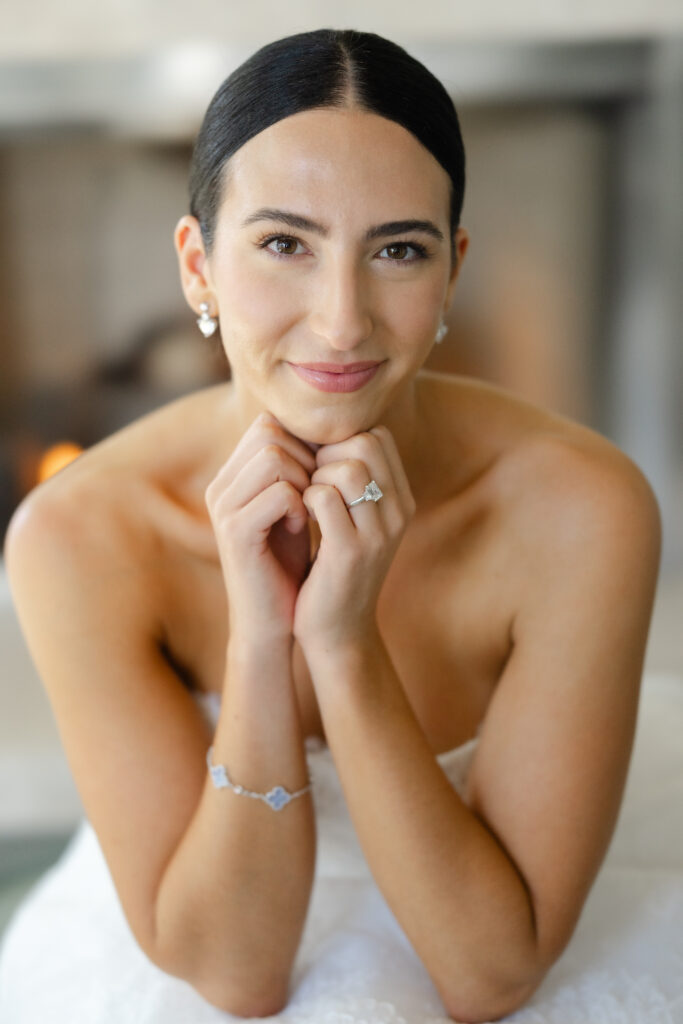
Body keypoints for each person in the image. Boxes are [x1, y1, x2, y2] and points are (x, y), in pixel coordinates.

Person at [0, 27, 665, 1024]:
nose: (342, 320)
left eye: (397, 249)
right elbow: (236, 976)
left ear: (449, 274)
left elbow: (490, 975)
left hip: (481, 913)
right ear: (197, 267)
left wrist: (343, 643)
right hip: (215, 908)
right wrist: (261, 641)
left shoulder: (580, 509)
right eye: (282, 243)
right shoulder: (78, 534)